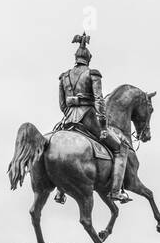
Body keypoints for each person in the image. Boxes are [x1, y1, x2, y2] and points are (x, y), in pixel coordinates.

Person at [56, 34, 131, 203]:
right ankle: (116, 191)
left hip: (68, 120)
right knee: (122, 148)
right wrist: (103, 125)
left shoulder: (64, 77)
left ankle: (60, 192)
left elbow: (62, 104)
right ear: (88, 59)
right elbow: (98, 100)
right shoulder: (93, 74)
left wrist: (70, 112)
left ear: (76, 58)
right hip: (88, 118)